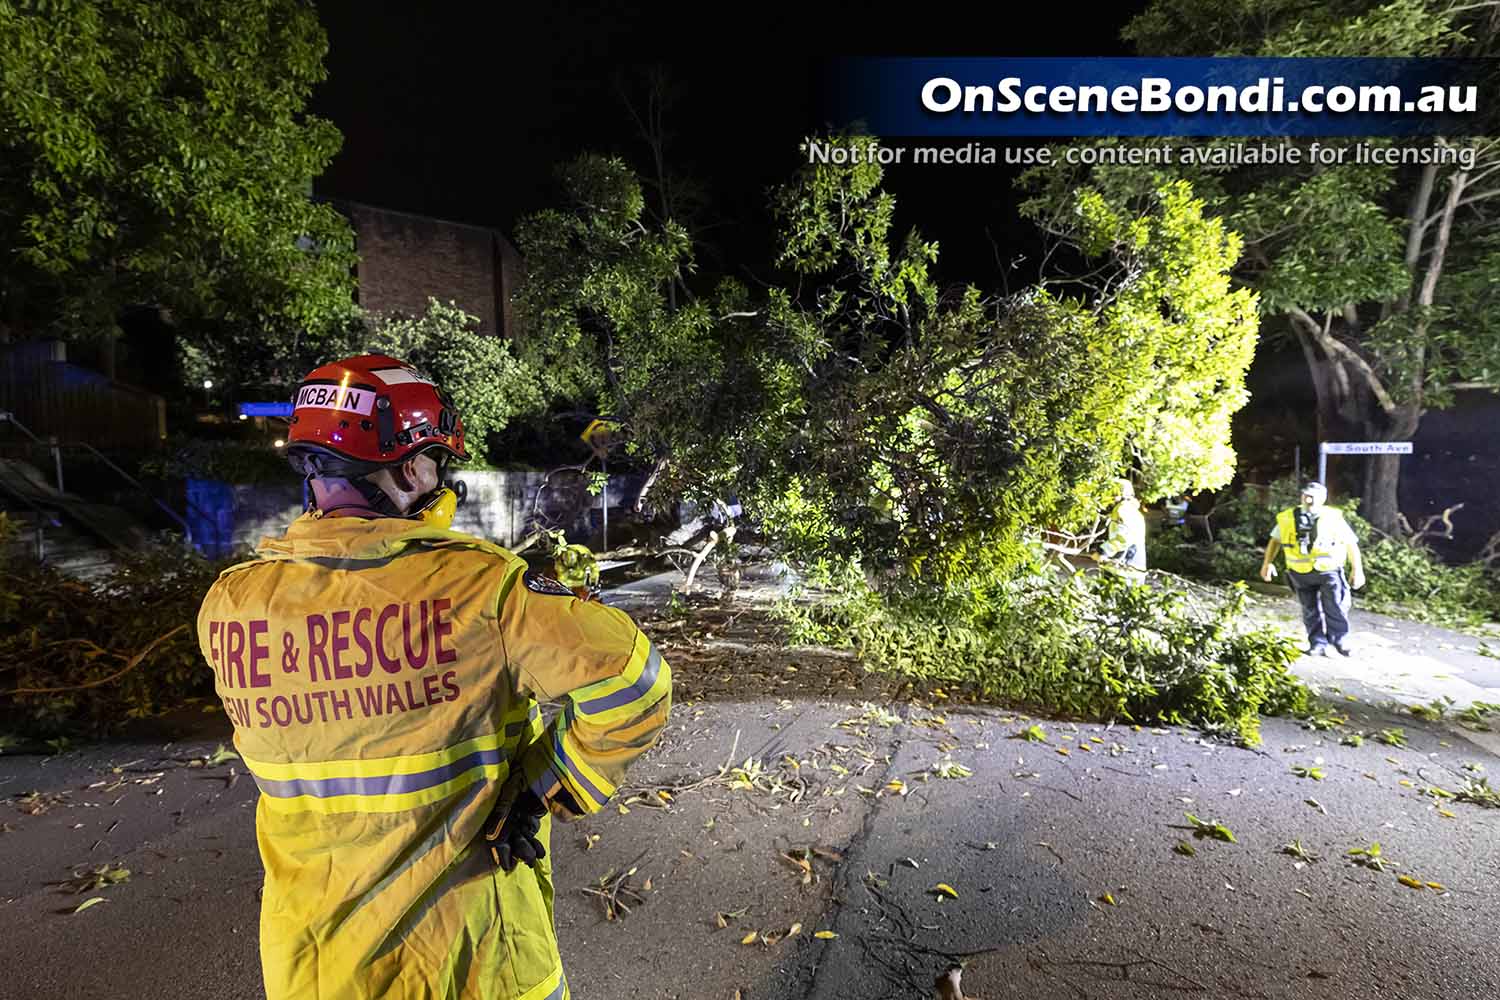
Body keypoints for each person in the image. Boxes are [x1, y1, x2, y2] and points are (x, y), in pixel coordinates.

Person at [196, 354, 671, 1000]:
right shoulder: (481, 589)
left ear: (309, 465)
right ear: (410, 466)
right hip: (478, 967)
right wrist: (539, 790)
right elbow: (634, 681)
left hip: (316, 973)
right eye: (435, 463)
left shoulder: (231, 606)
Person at [1259, 480, 1366, 656]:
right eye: (1306, 496)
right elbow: (1275, 541)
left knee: (1336, 606)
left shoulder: (1333, 518)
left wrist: (1357, 570)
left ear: (1322, 499)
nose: (1309, 500)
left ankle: (1340, 639)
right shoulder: (1288, 518)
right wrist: (1267, 563)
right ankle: (1317, 643)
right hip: (1299, 572)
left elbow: (1351, 544)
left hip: (1328, 570)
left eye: (1313, 497)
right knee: (1309, 610)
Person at [1098, 478, 1147, 574]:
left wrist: (1103, 552)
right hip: (1133, 561)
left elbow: (1124, 537)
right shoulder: (1130, 509)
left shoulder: (1123, 509)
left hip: (1125, 562)